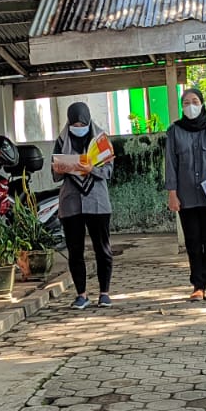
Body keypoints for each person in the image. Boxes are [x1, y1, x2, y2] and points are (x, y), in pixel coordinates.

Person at [164, 86, 206, 301]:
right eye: (186, 103)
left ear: (202, 104)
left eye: (194, 102)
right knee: (193, 241)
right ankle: (197, 286)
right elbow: (170, 164)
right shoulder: (174, 131)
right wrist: (172, 194)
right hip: (186, 196)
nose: (191, 106)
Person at [53, 101, 115, 309]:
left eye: (82, 124)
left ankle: (104, 293)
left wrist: (91, 169)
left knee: (102, 248)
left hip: (97, 201)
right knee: (75, 250)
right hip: (71, 203)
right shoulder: (62, 140)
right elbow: (54, 173)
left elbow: (109, 171)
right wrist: (61, 168)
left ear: (89, 121)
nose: (78, 128)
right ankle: (81, 295)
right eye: (74, 124)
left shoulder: (101, 140)